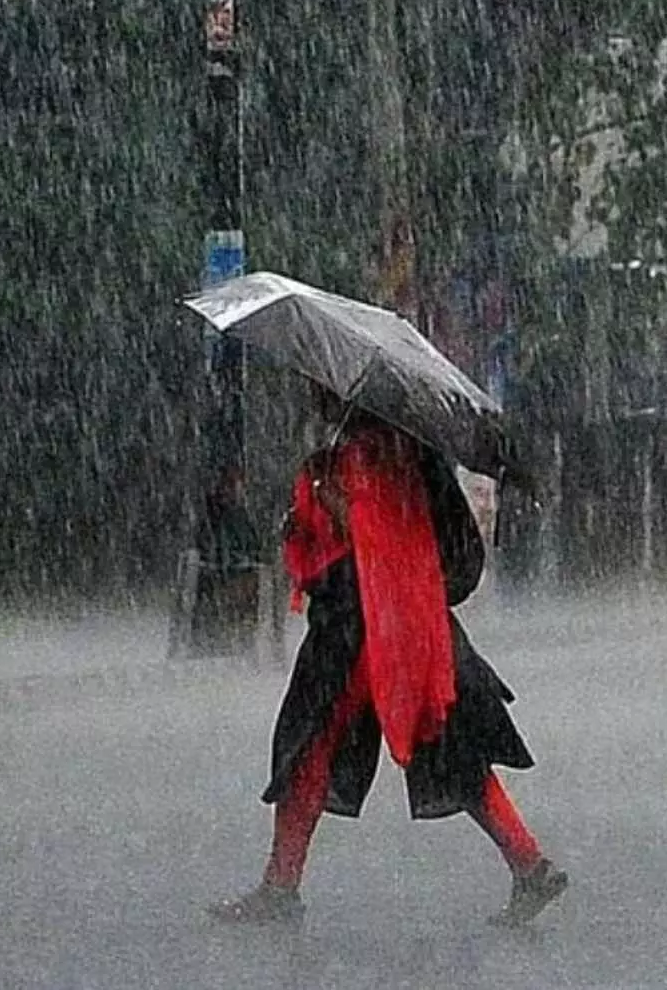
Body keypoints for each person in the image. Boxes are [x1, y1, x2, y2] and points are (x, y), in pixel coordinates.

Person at [209, 386, 568, 928]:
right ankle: (527, 862)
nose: (310, 396)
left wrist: (323, 509)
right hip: (418, 626)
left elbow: (355, 550)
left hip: (358, 633)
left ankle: (280, 888)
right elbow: (420, 546)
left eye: (319, 391)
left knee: (309, 749)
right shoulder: (411, 455)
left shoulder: (359, 459)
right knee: (451, 750)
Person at [192, 464, 266, 660]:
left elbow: (253, 548)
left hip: (235, 578)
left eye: (237, 484)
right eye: (231, 484)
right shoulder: (215, 518)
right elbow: (215, 553)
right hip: (222, 580)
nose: (236, 489)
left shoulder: (239, 515)